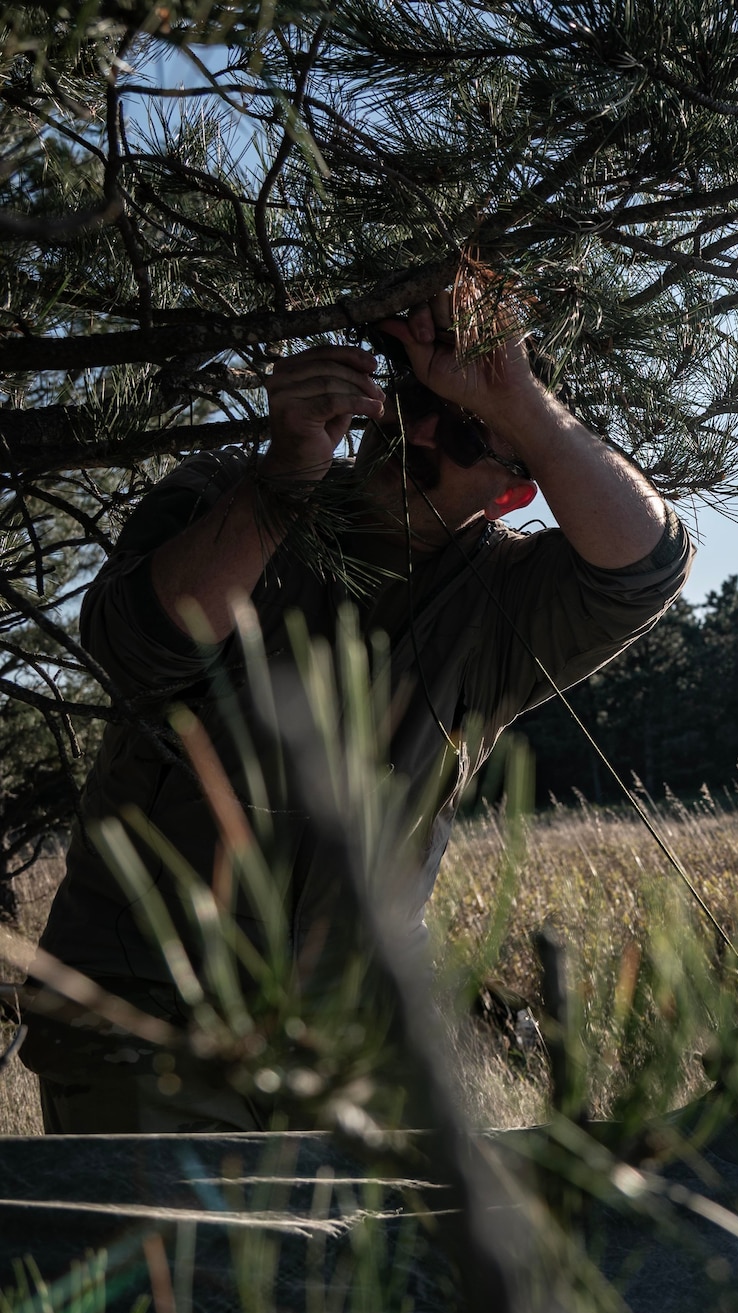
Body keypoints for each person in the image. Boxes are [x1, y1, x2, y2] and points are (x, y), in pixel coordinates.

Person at [25, 291, 691, 1133]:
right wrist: (285, 474)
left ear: (513, 492)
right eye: (408, 405)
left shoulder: (506, 600)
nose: (415, 436)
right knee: (182, 1271)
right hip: (143, 1018)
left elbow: (648, 567)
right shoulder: (232, 493)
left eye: (458, 434)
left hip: (350, 1050)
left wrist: (514, 394)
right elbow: (136, 648)